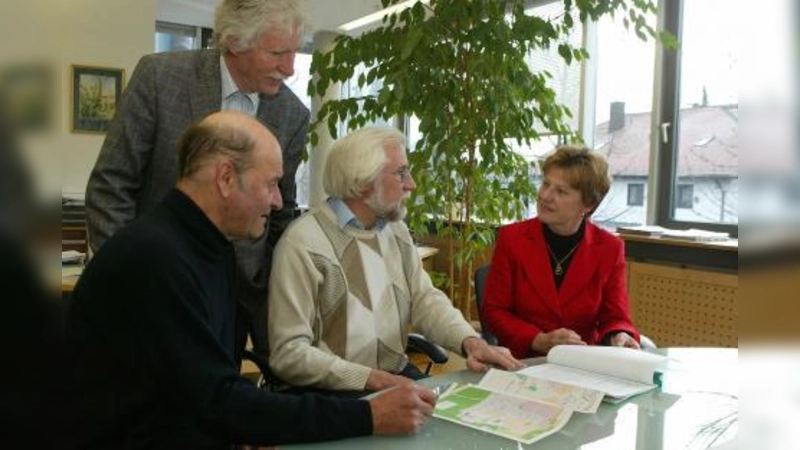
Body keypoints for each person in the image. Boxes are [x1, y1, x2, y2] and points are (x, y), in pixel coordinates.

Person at [64, 112, 436, 449]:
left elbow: (211, 385)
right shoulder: (154, 258)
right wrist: (368, 416)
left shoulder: (213, 246)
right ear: (226, 178)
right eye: (271, 183)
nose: (277, 201)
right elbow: (216, 399)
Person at [85, 0, 309, 357]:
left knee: (213, 402)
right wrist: (129, 275)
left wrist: (263, 295)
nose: (290, 67)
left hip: (232, 301)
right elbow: (110, 186)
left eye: (294, 52)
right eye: (277, 53)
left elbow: (281, 211)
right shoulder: (161, 78)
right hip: (150, 285)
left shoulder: (292, 114)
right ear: (234, 42)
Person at [267, 126, 524, 393]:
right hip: (331, 394)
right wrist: (371, 379)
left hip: (394, 379)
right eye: (401, 173)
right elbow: (289, 353)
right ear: (363, 181)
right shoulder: (304, 243)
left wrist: (470, 341)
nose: (411, 184)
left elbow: (425, 300)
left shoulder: (396, 232)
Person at [482, 145, 641, 359]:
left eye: (561, 191)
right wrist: (538, 339)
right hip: (523, 361)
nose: (545, 196)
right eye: (546, 184)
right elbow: (495, 311)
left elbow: (615, 318)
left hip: (582, 363)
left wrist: (619, 335)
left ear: (587, 204)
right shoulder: (512, 238)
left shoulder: (610, 249)